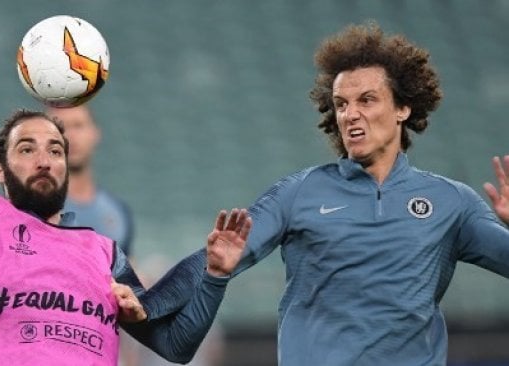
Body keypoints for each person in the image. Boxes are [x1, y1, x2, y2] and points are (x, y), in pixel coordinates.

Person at [137, 22, 509, 366]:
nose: (350, 115)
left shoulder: (452, 202)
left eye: (367, 100)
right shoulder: (299, 193)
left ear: (402, 108)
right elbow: (215, 257)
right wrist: (146, 305)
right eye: (342, 104)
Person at [0, 109, 251, 365]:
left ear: (66, 166)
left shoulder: (104, 254)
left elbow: (176, 347)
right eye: (27, 149)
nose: (44, 160)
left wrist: (215, 277)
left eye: (55, 150)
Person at [46, 105, 134, 256]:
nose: (70, 136)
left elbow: (127, 272)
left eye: (78, 126)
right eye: (60, 128)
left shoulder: (118, 212)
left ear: (95, 133)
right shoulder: (32, 210)